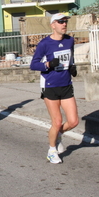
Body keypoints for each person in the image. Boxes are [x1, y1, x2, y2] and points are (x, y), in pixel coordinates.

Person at [30, 13, 79, 164]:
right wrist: (48, 65)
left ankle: (57, 135)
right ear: (53, 25)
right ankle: (52, 151)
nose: (64, 24)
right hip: (50, 86)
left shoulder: (70, 40)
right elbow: (33, 64)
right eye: (60, 22)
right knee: (57, 122)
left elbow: (70, 57)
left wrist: (72, 67)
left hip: (66, 85)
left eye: (65, 22)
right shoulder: (45, 44)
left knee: (74, 121)